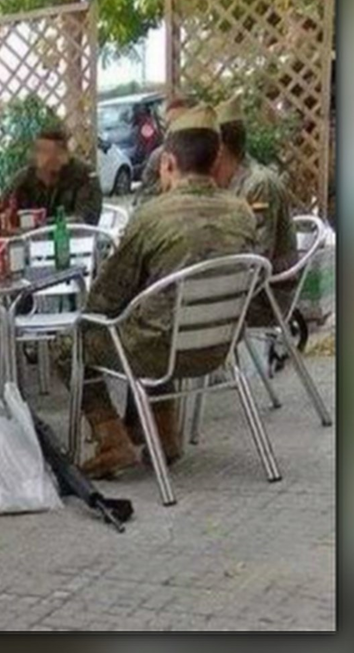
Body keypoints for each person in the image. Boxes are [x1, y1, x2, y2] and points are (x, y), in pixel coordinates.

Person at [72, 105, 257, 477]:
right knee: (158, 318)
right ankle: (162, 433)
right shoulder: (243, 212)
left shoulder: (152, 216)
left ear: (168, 162)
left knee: (76, 339)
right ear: (216, 156)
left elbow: (105, 299)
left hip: (161, 350)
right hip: (219, 347)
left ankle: (114, 442)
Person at [211, 96, 296, 326]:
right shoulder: (224, 183)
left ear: (219, 149)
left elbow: (256, 260)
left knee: (181, 315)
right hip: (241, 290)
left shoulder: (258, 184)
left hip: (267, 297)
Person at [1, 126, 103, 225]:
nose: (44, 159)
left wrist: (42, 223)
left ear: (64, 155)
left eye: (49, 153)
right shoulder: (24, 179)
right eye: (40, 152)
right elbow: (1, 213)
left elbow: (86, 220)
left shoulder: (84, 176)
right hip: (31, 240)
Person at [134, 95, 195, 206]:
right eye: (169, 124)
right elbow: (143, 198)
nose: (173, 129)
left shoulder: (209, 155)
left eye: (180, 123)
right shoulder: (158, 157)